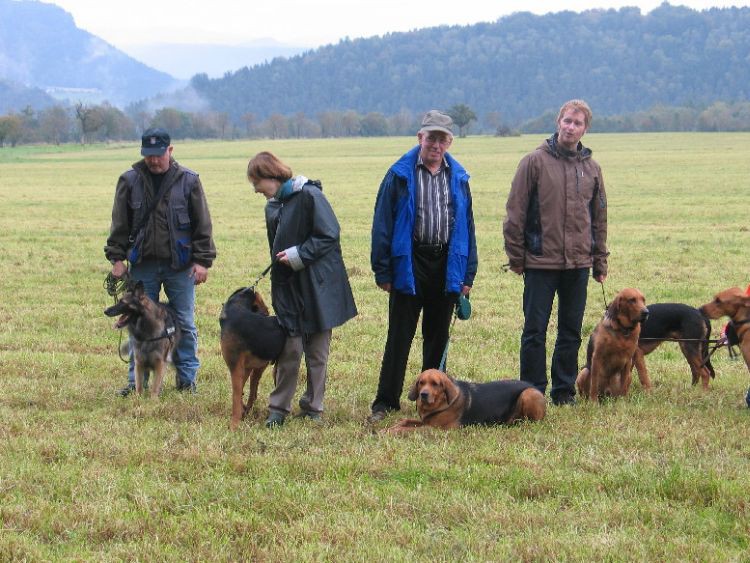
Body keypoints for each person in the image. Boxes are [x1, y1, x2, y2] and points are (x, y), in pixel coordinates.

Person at [369, 110, 478, 422]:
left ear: (449, 143)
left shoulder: (458, 177)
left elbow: (468, 227)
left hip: (446, 264)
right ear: (420, 138)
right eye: (431, 137)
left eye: (442, 138)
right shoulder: (399, 175)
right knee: (399, 335)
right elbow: (382, 224)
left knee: (437, 335)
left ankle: (436, 403)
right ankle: (386, 402)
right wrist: (383, 270)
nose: (436, 144)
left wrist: (467, 272)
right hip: (409, 262)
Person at [503, 99, 608, 406]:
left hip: (578, 263)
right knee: (534, 331)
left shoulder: (592, 169)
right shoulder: (533, 162)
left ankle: (564, 390)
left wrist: (599, 260)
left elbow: (599, 218)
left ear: (585, 129)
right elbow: (515, 212)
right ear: (558, 122)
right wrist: (516, 256)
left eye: (577, 123)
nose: (570, 127)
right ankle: (531, 391)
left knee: (571, 331)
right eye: (567, 121)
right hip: (540, 262)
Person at [247, 151, 357, 428]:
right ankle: (278, 409)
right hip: (288, 288)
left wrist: (299, 255)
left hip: (320, 288)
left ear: (271, 175)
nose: (255, 189)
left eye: (256, 182)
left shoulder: (310, 196)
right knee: (289, 351)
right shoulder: (271, 206)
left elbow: (329, 234)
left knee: (318, 353)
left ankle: (313, 407)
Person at [105, 127, 216, 396]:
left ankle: (187, 380)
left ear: (170, 150)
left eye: (158, 154)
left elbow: (203, 224)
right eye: (148, 155)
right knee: (137, 323)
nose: (153, 160)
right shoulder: (129, 180)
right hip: (142, 266)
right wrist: (117, 258)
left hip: (180, 266)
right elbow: (120, 223)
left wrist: (202, 261)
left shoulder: (189, 180)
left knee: (185, 324)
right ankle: (136, 383)